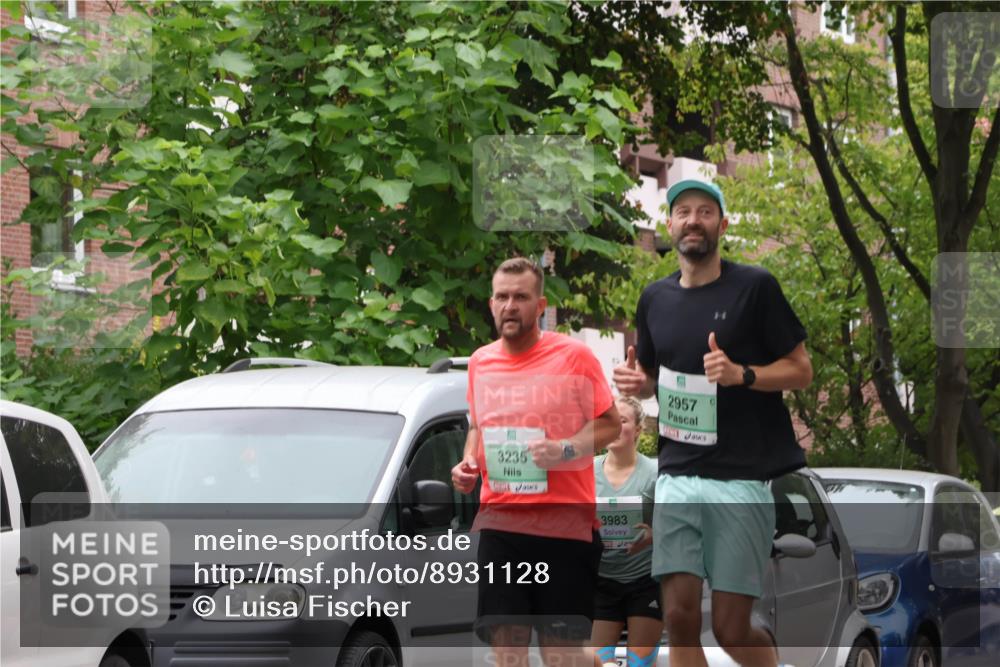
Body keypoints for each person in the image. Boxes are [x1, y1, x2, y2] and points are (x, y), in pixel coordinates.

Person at [613, 180, 813, 667]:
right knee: (678, 617)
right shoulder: (654, 299)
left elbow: (802, 370)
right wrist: (638, 384)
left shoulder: (755, 286)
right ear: (670, 226)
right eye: (683, 211)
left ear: (721, 226)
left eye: (705, 212)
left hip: (740, 477)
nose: (693, 220)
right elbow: (655, 378)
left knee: (729, 629)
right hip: (678, 473)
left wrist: (742, 374)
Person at [452, 257, 622, 667]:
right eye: (502, 297)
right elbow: (478, 426)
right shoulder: (480, 362)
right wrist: (467, 463)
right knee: (507, 651)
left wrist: (564, 449)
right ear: (491, 303)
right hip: (501, 524)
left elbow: (610, 425)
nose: (510, 306)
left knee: (560, 655)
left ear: (540, 305)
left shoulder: (575, 357)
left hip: (564, 526)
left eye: (521, 297)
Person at [591, 396, 662, 667]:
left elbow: (678, 523)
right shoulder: (588, 473)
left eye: (623, 421)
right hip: (603, 580)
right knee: (598, 662)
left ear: (639, 430)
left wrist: (654, 534)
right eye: (610, 422)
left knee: (640, 663)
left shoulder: (655, 474)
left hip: (644, 580)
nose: (616, 428)